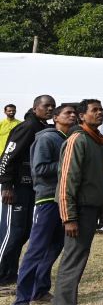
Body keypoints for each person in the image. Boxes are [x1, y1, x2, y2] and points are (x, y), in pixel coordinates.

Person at [11, 103, 77, 305]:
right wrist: (66, 164)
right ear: (56, 117)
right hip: (48, 198)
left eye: (74, 113)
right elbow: (38, 168)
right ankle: (21, 300)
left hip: (64, 200)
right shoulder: (47, 138)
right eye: (68, 112)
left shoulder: (69, 139)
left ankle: (39, 289)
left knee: (56, 246)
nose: (73, 115)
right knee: (36, 250)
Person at [54, 99, 103, 305]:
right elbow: (67, 181)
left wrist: (102, 209)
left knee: (76, 260)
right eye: (94, 110)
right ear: (81, 116)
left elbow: (97, 180)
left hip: (90, 209)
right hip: (78, 212)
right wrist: (69, 217)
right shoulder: (78, 139)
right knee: (72, 262)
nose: (100, 113)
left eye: (101, 109)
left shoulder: (96, 140)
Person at [0, 95, 55, 292]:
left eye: (52, 106)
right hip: (15, 189)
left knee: (23, 233)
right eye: (46, 105)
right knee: (11, 233)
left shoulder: (44, 128)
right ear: (35, 108)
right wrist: (6, 185)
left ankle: (9, 274)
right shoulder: (27, 127)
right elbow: (7, 155)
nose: (50, 109)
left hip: (32, 188)